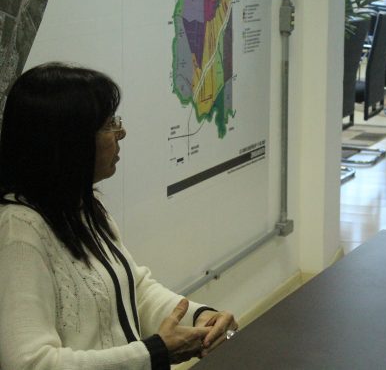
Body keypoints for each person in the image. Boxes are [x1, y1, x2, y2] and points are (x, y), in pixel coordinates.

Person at [0, 63, 238, 369]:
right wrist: (152, 353)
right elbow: (30, 363)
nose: (121, 132)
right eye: (109, 124)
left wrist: (200, 317)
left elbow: (133, 289)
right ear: (69, 141)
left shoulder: (81, 207)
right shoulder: (18, 231)